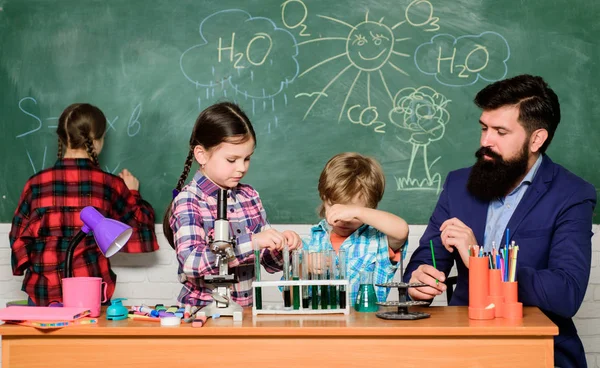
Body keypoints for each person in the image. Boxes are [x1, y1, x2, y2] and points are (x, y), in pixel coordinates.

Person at [403, 75, 596, 368]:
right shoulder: (458, 184)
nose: (485, 141)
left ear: (536, 139)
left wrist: (480, 261)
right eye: (484, 128)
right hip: (463, 349)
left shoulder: (573, 194)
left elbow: (566, 293)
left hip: (538, 352)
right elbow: (424, 262)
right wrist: (418, 283)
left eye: (500, 132)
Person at [9, 103, 159, 306]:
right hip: (89, 295)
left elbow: (18, 239)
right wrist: (133, 192)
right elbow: (141, 228)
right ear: (96, 141)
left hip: (42, 294)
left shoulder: (35, 184)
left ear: (62, 138)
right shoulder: (110, 185)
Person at [163, 101, 301, 308]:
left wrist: (283, 247)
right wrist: (252, 242)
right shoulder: (189, 200)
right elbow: (192, 263)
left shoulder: (249, 196)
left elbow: (269, 263)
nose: (241, 168)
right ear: (201, 154)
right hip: (201, 315)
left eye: (247, 159)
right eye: (232, 159)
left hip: (245, 314)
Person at [304, 152, 409, 306]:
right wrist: (304, 268)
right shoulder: (312, 241)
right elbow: (293, 296)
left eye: (352, 211)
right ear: (324, 199)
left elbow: (401, 230)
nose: (343, 218)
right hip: (322, 327)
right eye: (336, 207)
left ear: (370, 208)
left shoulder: (378, 240)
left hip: (367, 326)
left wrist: (356, 213)